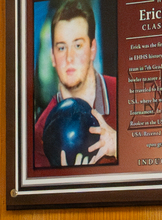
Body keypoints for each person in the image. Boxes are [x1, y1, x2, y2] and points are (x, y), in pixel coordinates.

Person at [33, 0, 118, 167]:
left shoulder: (124, 95)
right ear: (52, 56)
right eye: (62, 48)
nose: (69, 58)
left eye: (78, 45)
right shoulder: (42, 130)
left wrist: (121, 147)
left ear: (93, 49)